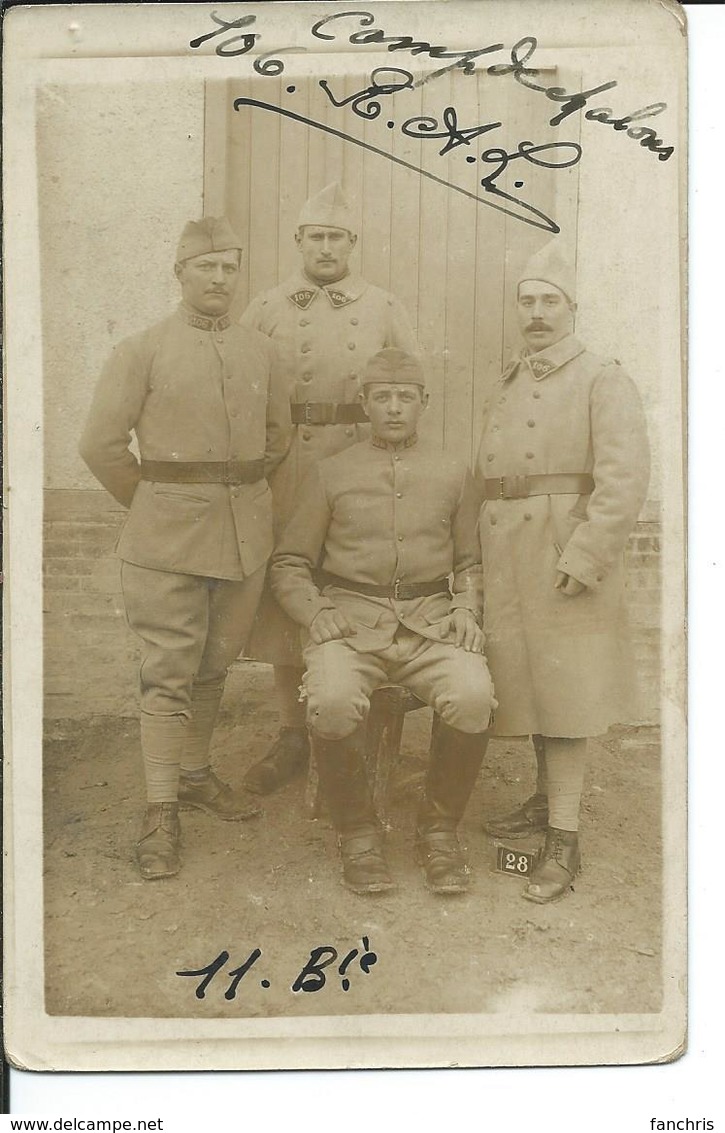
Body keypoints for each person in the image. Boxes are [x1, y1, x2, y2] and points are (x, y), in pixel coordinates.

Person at [79, 217, 291, 880]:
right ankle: (160, 806)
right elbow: (100, 445)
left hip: (244, 535)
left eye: (230, 267)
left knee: (214, 662)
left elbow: (278, 435)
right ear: (180, 274)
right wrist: (152, 503)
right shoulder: (140, 350)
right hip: (165, 538)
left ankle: (195, 773)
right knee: (167, 670)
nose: (220, 279)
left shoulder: (262, 351)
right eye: (207, 267)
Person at [270, 348, 495, 896]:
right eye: (382, 397)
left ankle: (438, 832)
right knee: (331, 702)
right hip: (349, 623)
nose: (394, 408)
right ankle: (359, 834)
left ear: (423, 403)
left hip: (432, 624)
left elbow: (470, 562)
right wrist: (315, 611)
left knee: (472, 696)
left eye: (405, 397)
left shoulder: (453, 472)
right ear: (365, 403)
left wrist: (466, 607)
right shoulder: (332, 472)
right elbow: (289, 563)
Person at [475, 240, 650, 903]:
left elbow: (623, 478)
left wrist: (585, 553)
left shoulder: (601, 376)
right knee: (531, 684)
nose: (537, 313)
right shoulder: (511, 377)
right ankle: (543, 799)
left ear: (571, 307)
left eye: (549, 301)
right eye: (527, 301)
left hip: (561, 553)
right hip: (508, 553)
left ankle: (564, 835)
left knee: (568, 693)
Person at [239, 183, 418, 796]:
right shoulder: (265, 308)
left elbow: (411, 387)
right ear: (298, 242)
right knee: (289, 591)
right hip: (288, 465)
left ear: (352, 244)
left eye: (335, 237)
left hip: (358, 463)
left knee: (355, 582)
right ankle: (294, 730)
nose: (324, 247)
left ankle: (350, 718)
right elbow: (240, 390)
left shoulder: (382, 307)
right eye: (314, 236)